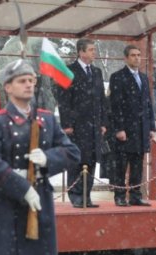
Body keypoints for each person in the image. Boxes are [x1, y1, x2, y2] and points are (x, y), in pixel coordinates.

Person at [0, 59, 80, 255]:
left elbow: (72, 152)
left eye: (31, 80)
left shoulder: (46, 119)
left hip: (40, 200)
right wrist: (22, 187)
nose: (28, 85)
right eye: (22, 81)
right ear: (7, 87)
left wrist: (48, 158)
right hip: (5, 204)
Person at [57, 38, 107, 208]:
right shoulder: (69, 71)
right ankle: (76, 195)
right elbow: (64, 100)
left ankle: (86, 195)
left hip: (94, 126)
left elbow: (101, 99)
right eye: (91, 49)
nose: (94, 52)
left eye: (94, 49)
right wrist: (67, 124)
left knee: (91, 161)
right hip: (77, 126)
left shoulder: (97, 72)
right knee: (77, 161)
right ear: (81, 52)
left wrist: (103, 122)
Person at [109, 45, 156, 207]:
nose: (137, 58)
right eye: (133, 55)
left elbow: (148, 104)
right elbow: (115, 105)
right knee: (121, 165)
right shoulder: (118, 77)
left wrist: (151, 127)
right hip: (126, 130)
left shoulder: (143, 77)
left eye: (138, 55)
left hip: (141, 129)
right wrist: (119, 128)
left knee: (137, 163)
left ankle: (136, 194)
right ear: (126, 58)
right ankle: (120, 195)